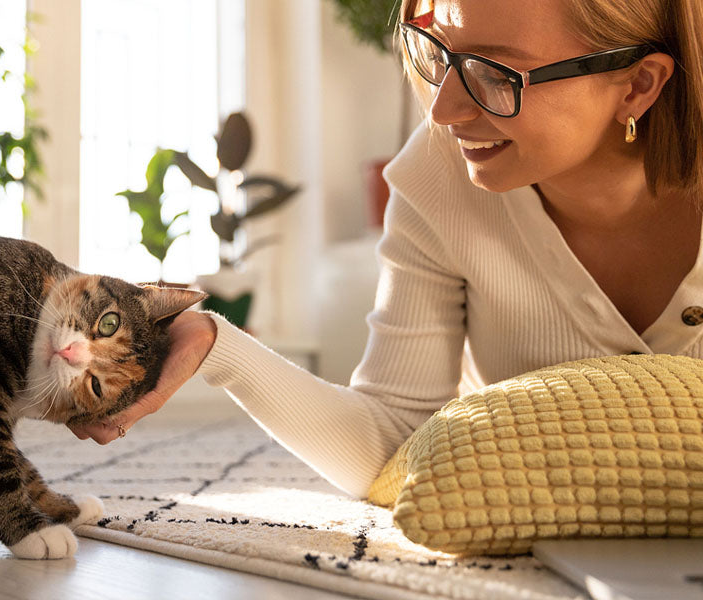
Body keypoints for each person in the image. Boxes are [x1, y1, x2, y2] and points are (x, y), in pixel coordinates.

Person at [70, 0, 703, 499]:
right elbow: (394, 446)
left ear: (637, 86)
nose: (446, 110)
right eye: (441, 52)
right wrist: (216, 347)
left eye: (495, 72)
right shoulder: (438, 176)